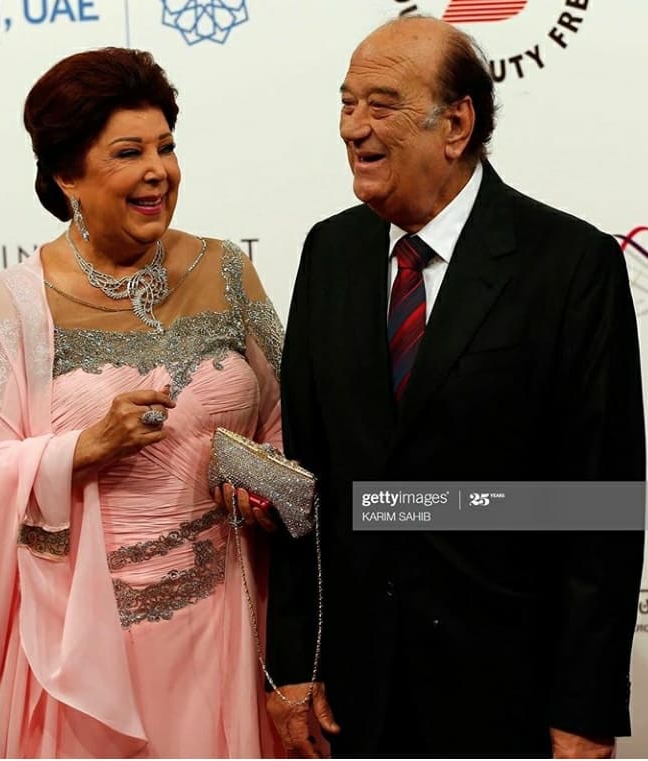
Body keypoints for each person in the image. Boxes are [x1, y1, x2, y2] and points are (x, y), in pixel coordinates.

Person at [265, 16, 645, 760]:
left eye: (381, 106)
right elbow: (300, 480)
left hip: (509, 690)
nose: (353, 128)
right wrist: (293, 662)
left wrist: (585, 705)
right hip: (355, 694)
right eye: (346, 104)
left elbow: (601, 503)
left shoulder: (569, 264)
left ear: (456, 124)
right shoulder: (329, 251)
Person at [0, 47, 283, 758]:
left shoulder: (227, 270)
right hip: (80, 649)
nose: (158, 170)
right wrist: (82, 448)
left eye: (166, 147)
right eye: (129, 152)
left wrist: (262, 484)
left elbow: (289, 423)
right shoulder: (16, 304)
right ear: (67, 174)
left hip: (226, 625)